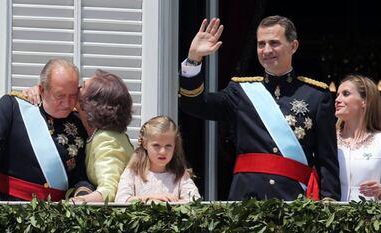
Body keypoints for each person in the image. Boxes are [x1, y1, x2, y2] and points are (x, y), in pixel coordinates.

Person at [179, 16, 340, 201]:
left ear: (293, 46)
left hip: (295, 203)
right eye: (261, 44)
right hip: (247, 200)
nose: (267, 50)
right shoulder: (240, 92)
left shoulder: (317, 96)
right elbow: (192, 104)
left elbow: (326, 159)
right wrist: (193, 59)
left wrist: (330, 202)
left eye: (274, 43)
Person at [0, 58, 94, 201]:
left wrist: (81, 201)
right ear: (42, 90)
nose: (67, 103)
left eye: (73, 95)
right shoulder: (13, 108)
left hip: (57, 216)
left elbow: (82, 176)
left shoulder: (79, 121)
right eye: (60, 96)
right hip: (8, 207)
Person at [70, 69, 134, 202]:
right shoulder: (101, 133)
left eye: (83, 86)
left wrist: (74, 203)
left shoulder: (107, 138)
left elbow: (109, 191)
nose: (77, 88)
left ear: (91, 103)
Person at [115, 116, 200, 203]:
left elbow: (195, 200)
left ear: (175, 147)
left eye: (168, 146)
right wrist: (151, 198)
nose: (163, 151)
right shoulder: (133, 172)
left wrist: (171, 204)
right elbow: (121, 200)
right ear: (145, 144)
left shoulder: (180, 175)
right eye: (156, 145)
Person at [335, 74, 381, 202]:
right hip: (331, 218)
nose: (337, 99)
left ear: (364, 102)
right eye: (337, 95)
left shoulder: (380, 141)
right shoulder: (328, 140)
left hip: (371, 219)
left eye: (345, 94)